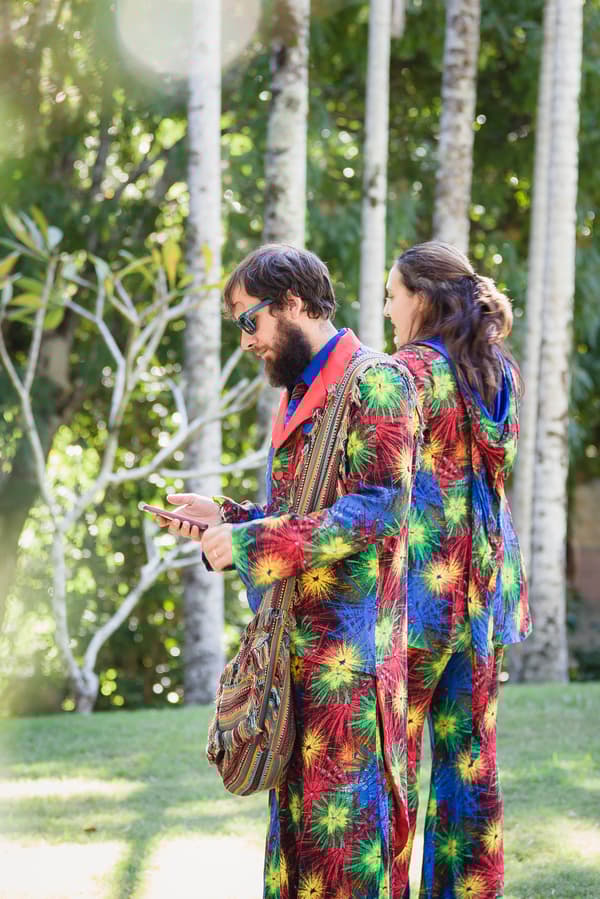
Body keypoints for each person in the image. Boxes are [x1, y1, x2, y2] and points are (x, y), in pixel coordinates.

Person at [160, 244, 422, 899]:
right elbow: (297, 519)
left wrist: (250, 542)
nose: (246, 340)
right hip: (293, 671)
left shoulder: (378, 381)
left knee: (347, 860)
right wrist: (225, 516)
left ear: (298, 303)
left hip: (351, 678)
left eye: (251, 321)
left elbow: (375, 513)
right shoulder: (306, 395)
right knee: (295, 864)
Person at [383, 240, 532, 899]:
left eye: (392, 294)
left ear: (422, 297)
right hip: (483, 591)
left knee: (389, 770)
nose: (387, 308)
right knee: (469, 771)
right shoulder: (500, 370)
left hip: (418, 592)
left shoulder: (406, 373)